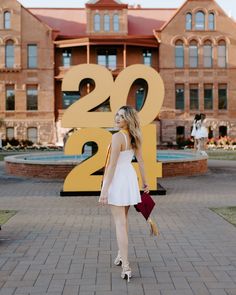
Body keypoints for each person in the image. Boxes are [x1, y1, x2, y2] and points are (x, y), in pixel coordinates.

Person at [99, 105, 149, 282]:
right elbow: (141, 161)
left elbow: (112, 166)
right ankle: (121, 255)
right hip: (129, 178)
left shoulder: (117, 137)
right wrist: (145, 182)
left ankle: (126, 266)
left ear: (128, 119)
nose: (117, 118)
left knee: (120, 223)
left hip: (118, 180)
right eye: (117, 115)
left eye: (121, 116)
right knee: (124, 221)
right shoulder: (135, 136)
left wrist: (104, 190)